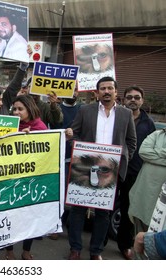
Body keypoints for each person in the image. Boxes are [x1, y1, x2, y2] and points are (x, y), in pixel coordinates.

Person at [68, 76, 136, 260]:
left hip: (110, 172)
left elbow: (131, 142)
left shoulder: (125, 114)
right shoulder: (85, 110)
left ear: (115, 92)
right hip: (84, 167)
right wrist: (83, 152)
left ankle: (96, 251)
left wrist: (121, 160)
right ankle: (75, 249)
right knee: (77, 210)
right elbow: (75, 134)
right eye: (103, 88)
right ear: (97, 93)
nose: (106, 91)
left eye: (110, 88)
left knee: (103, 213)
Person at [5, 94, 48, 260]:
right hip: (10, 178)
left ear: (30, 109)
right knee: (9, 216)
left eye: (20, 109)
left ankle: (26, 250)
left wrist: (31, 139)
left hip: (31, 180)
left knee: (29, 217)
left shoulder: (40, 127)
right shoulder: (9, 127)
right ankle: (9, 251)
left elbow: (46, 151)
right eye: (14, 109)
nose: (16, 112)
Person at [116, 85, 155, 260]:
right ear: (123, 100)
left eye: (136, 97)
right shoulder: (115, 117)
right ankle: (97, 247)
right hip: (111, 167)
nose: (133, 100)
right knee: (104, 207)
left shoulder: (149, 124)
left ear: (142, 101)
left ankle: (124, 245)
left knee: (126, 210)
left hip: (133, 173)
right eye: (129, 97)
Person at [129, 128, 166, 234]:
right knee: (141, 233)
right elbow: (143, 152)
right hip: (145, 193)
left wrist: (156, 153)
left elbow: (149, 154)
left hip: (163, 199)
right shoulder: (156, 135)